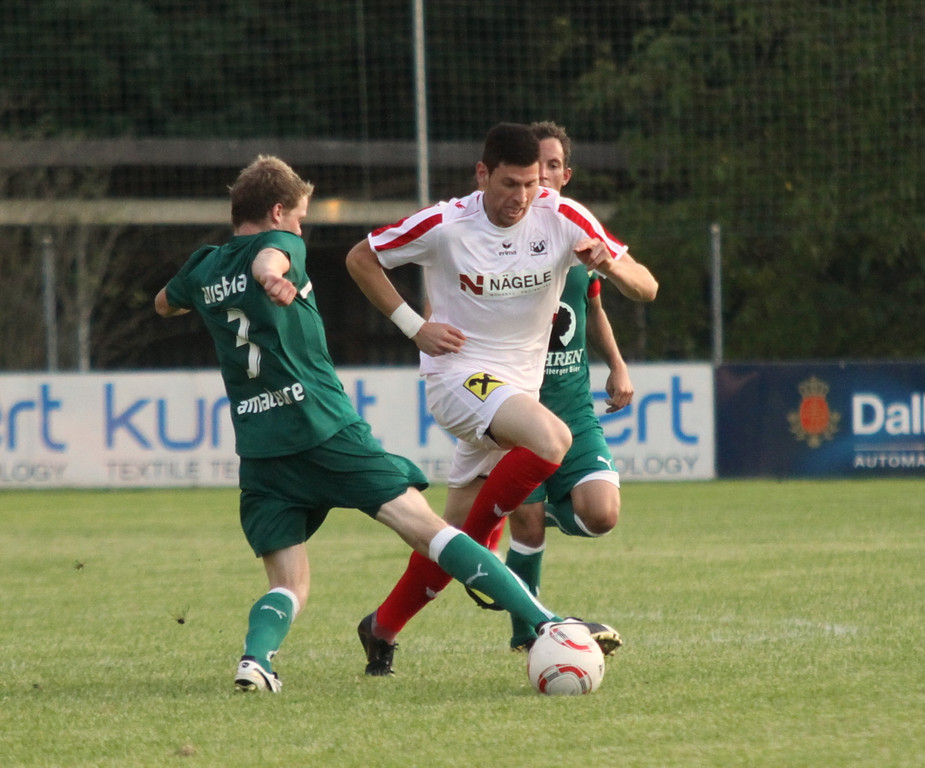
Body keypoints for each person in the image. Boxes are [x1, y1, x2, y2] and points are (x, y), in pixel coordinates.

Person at [154, 154, 617, 692]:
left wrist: (208, 293)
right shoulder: (280, 245)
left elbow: (165, 303)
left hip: (261, 451)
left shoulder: (203, 266)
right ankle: (546, 623)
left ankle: (256, 660)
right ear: (278, 212)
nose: (300, 230)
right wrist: (270, 277)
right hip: (325, 431)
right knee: (432, 531)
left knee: (290, 584)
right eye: (299, 218)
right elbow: (269, 260)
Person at [345, 123, 658, 674]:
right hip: (458, 379)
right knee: (552, 437)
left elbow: (646, 286)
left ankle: (382, 627)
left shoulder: (562, 216)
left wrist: (608, 263)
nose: (522, 197)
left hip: (515, 393)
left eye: (532, 184)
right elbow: (360, 258)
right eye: (510, 184)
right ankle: (540, 614)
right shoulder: (446, 224)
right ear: (482, 174)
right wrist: (415, 327)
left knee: (446, 539)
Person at [494, 121, 636, 651]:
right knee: (525, 528)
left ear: (564, 174)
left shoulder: (577, 232)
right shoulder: (499, 235)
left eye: (553, 166)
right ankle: (527, 634)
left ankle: (549, 506)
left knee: (601, 515)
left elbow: (592, 306)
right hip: (517, 410)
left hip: (573, 407)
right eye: (536, 168)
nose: (544, 175)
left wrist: (617, 364)